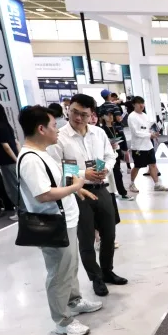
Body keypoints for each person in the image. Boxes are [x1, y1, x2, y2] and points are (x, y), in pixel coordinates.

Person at [17, 105, 102, 335]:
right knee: (59, 272)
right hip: (53, 224)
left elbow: (57, 181)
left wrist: (77, 189)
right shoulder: (31, 159)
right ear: (41, 129)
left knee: (70, 267)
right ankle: (62, 320)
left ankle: (74, 301)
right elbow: (43, 194)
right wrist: (75, 187)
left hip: (67, 220)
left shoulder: (43, 153)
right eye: (54, 125)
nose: (58, 129)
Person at [47, 93, 128, 297]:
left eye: (83, 114)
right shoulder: (59, 137)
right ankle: (96, 278)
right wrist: (84, 174)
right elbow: (56, 168)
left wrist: (106, 168)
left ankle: (107, 271)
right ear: (68, 110)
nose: (78, 118)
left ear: (92, 114)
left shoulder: (98, 133)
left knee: (109, 234)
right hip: (78, 193)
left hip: (102, 189)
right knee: (86, 239)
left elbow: (110, 155)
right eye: (74, 112)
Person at [127, 96, 168, 193]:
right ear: (134, 105)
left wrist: (153, 133)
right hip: (138, 147)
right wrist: (150, 135)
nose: (141, 105)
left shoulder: (145, 115)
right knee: (137, 166)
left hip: (148, 145)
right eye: (139, 103)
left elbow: (147, 128)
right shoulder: (132, 117)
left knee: (153, 164)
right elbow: (136, 132)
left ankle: (157, 184)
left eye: (142, 103)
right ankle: (132, 184)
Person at [0, 102, 21, 218]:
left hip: (7, 161)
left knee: (12, 188)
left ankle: (20, 211)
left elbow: (6, 147)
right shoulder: (6, 126)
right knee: (16, 186)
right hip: (12, 160)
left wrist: (16, 160)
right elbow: (16, 142)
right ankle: (22, 211)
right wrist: (19, 158)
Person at [98, 107, 134, 199]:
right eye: (108, 115)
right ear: (103, 117)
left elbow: (122, 138)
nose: (110, 117)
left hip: (116, 153)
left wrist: (124, 149)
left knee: (118, 174)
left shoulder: (116, 127)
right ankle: (111, 193)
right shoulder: (101, 130)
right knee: (110, 175)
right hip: (106, 155)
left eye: (111, 115)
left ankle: (121, 192)